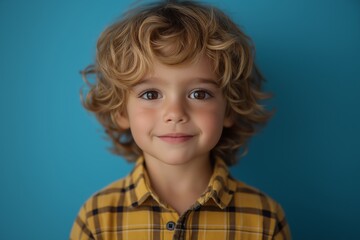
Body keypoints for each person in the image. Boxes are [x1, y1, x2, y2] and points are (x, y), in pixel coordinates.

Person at [70, 0, 291, 239]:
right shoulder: (98, 218)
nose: (175, 113)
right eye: (151, 94)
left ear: (229, 109)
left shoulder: (264, 219)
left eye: (199, 94)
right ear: (121, 112)